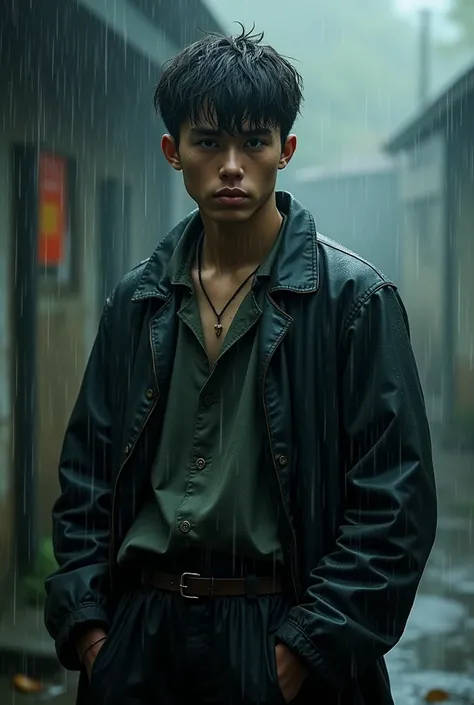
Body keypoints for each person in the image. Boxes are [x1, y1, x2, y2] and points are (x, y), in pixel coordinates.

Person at [44, 25, 437, 705]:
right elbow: (87, 474)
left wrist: (305, 648)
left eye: (254, 141)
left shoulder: (353, 301)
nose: (232, 165)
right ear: (173, 152)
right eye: (208, 142)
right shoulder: (137, 299)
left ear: (285, 149)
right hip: (142, 632)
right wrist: (90, 628)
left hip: (280, 626)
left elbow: (394, 503)